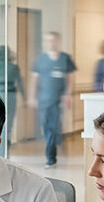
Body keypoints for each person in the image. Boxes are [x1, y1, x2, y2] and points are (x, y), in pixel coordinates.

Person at [28, 31, 76, 168]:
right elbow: (34, 79)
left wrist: (68, 94)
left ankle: (50, 158)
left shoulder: (65, 58)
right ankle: (54, 148)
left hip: (57, 100)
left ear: (58, 41)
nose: (51, 43)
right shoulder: (41, 59)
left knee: (52, 128)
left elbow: (70, 78)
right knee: (46, 127)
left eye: (53, 40)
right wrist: (32, 97)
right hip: (43, 100)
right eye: (48, 40)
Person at [0, 45, 25, 145]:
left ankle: (2, 143)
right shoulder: (13, 67)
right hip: (10, 94)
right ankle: (6, 142)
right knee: (9, 120)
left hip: (0, 93)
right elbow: (20, 83)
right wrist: (24, 97)